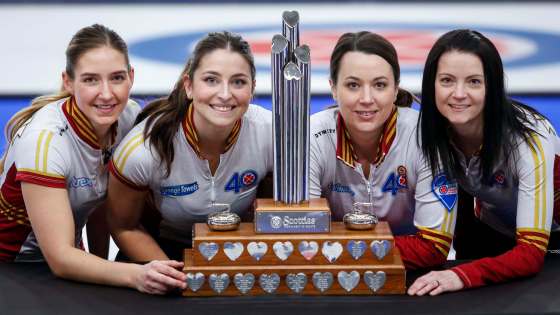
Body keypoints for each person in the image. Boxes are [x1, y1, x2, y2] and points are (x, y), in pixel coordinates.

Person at [0, 24, 186, 294]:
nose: (107, 94)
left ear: (131, 77)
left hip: (68, 259)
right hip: (14, 266)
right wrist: (138, 274)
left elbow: (101, 203)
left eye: (117, 78)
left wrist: (102, 263)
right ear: (68, 81)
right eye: (90, 80)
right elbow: (60, 259)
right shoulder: (45, 141)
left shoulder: (126, 117)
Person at [409, 29, 559, 296]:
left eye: (474, 82)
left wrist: (460, 275)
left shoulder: (530, 139)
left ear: (492, 86)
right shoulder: (432, 129)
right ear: (431, 84)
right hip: (494, 227)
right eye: (446, 80)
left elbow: (531, 253)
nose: (458, 94)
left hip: (550, 240)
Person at [108, 31, 272, 262]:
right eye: (211, 80)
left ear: (252, 88)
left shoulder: (271, 133)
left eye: (238, 82)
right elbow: (124, 227)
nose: (225, 94)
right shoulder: (143, 148)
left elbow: (279, 217)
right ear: (189, 86)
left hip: (241, 250)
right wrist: (173, 274)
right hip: (163, 252)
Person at [309, 31, 457, 270]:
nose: (367, 99)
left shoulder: (426, 137)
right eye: (353, 85)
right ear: (333, 88)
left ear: (396, 89)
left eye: (379, 85)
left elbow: (434, 247)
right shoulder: (311, 137)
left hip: (414, 277)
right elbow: (306, 241)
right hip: (334, 278)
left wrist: (345, 251)